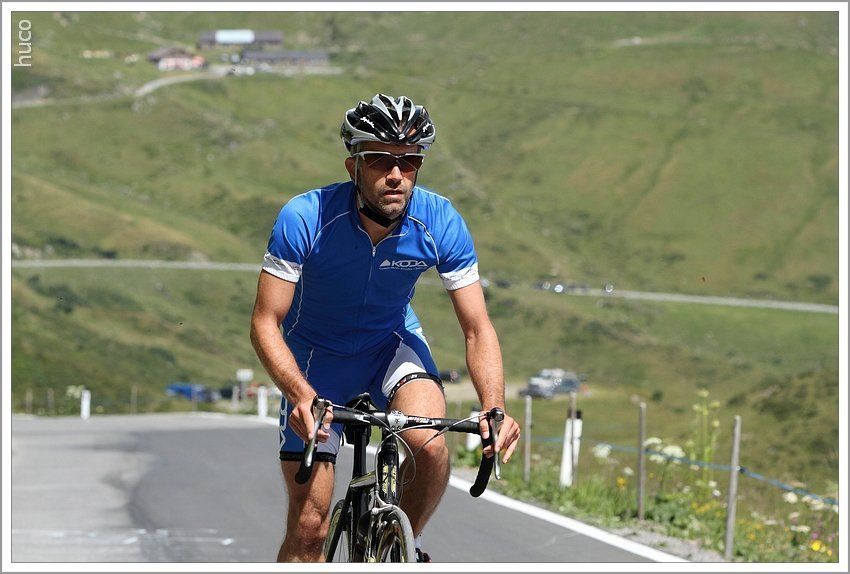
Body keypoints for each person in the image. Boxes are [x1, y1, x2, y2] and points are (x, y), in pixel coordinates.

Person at [250, 93, 520, 562]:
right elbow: (264, 322)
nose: (396, 174)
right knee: (309, 528)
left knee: (429, 446)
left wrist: (494, 407)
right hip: (315, 362)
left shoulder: (440, 220)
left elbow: (477, 328)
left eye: (409, 160)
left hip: (389, 346)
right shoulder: (306, 217)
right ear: (353, 166)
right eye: (379, 159)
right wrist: (299, 395)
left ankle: (401, 548)